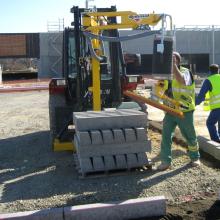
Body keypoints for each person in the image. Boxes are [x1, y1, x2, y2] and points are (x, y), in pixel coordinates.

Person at [157, 52, 200, 171]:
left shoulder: (186, 72)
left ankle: (195, 157)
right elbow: (159, 90)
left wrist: (173, 66)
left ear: (178, 62)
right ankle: (165, 161)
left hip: (184, 111)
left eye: (174, 60)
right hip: (169, 111)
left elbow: (181, 81)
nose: (171, 62)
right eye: (169, 60)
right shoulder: (165, 75)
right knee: (166, 136)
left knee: (190, 136)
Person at [196, 64, 220, 143]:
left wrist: (195, 103)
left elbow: (201, 95)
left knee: (210, 123)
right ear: (218, 70)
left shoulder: (209, 80)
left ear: (209, 71)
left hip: (217, 108)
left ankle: (216, 141)